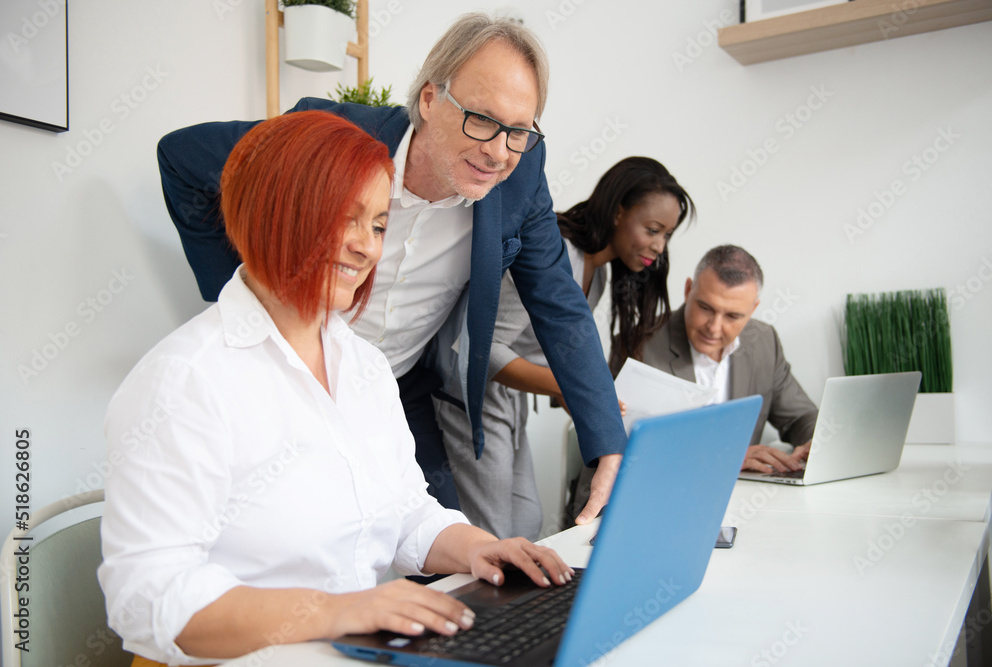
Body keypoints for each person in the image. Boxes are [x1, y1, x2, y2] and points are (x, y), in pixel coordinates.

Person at [99, 112, 572, 667]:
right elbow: (146, 601)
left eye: (376, 224)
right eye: (341, 219)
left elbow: (404, 512)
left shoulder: (365, 365)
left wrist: (478, 548)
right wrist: (337, 612)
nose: (364, 247)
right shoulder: (184, 380)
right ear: (272, 211)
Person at [156, 12, 625, 525]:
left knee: (444, 549)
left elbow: (560, 305)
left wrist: (604, 442)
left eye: (517, 131)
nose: (498, 151)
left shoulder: (521, 176)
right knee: (283, 531)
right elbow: (182, 159)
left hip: (395, 388)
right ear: (429, 99)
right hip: (285, 381)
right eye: (483, 120)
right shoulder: (330, 137)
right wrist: (246, 293)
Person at [434, 157, 695, 539]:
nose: (659, 246)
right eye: (653, 229)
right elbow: (476, 347)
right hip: (473, 397)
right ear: (619, 211)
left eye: (667, 235)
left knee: (526, 522)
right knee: (490, 533)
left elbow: (559, 359)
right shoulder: (554, 258)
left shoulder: (600, 275)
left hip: (510, 400)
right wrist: (566, 385)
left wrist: (587, 401)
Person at [638, 245, 818, 473]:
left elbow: (800, 417)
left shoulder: (764, 342)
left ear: (753, 309)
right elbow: (626, 445)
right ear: (688, 290)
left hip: (746, 495)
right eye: (705, 308)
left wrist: (817, 443)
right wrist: (724, 457)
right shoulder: (639, 345)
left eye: (733, 316)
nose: (714, 328)